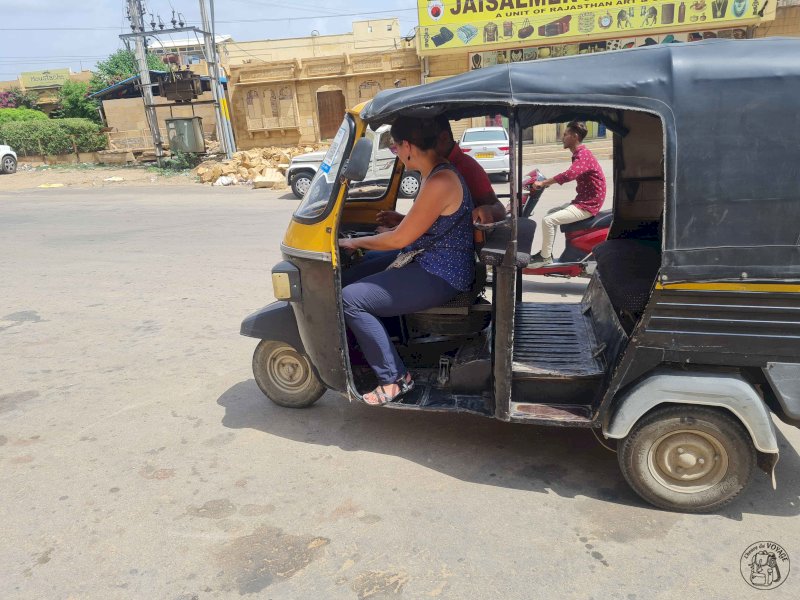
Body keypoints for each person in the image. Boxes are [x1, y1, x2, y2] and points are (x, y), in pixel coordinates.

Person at [339, 116, 474, 406]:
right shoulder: (435, 173)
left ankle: (395, 379)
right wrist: (397, 224)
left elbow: (398, 240)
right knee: (350, 276)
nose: (396, 154)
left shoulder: (440, 180)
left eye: (395, 148)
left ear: (409, 146)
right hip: (429, 258)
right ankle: (374, 348)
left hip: (440, 272)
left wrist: (353, 241)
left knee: (350, 299)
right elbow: (429, 223)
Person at [375, 115, 506, 230]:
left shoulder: (465, 168)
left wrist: (487, 210)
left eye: (425, 143)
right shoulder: (432, 169)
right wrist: (402, 220)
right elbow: (438, 222)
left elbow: (499, 209)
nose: (419, 149)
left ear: (443, 138)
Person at [529, 121, 607, 266]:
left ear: (575, 136)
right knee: (552, 212)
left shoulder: (583, 155)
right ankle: (548, 253)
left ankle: (545, 257)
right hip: (583, 201)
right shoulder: (580, 154)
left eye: (565, 134)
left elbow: (569, 175)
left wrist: (544, 183)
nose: (562, 137)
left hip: (587, 205)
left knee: (548, 220)